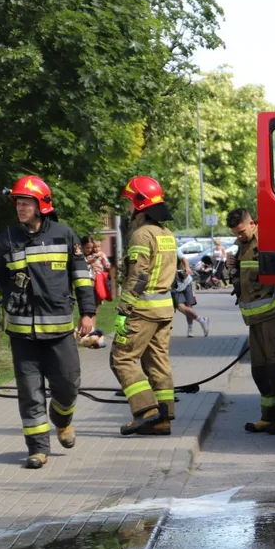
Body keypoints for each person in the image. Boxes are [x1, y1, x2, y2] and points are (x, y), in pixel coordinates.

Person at [0, 175, 96, 469]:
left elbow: (82, 277)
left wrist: (87, 312)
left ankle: (62, 420)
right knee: (29, 393)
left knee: (68, 386)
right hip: (22, 334)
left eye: (26, 203)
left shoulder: (64, 235)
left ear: (41, 205)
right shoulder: (6, 239)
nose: (21, 208)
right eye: (18, 203)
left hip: (59, 332)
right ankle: (37, 448)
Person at [110, 176, 179, 437]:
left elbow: (138, 276)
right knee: (157, 362)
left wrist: (123, 310)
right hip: (164, 309)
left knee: (122, 357)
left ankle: (146, 411)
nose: (127, 208)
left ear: (140, 204)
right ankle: (163, 419)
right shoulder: (166, 234)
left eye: (129, 202)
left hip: (143, 309)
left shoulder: (141, 234)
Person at [227, 208, 275, 434]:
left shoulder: (269, 240)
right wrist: (232, 267)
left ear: (252, 223)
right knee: (261, 370)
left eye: (241, 232)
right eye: (235, 233)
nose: (239, 236)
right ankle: (268, 417)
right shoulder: (242, 247)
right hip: (255, 320)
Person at [172, 245, 210, 337]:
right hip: (174, 284)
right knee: (179, 306)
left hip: (185, 281)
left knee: (189, 306)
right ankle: (202, 320)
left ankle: (190, 329)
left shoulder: (173, 248)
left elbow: (184, 258)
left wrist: (187, 267)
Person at [81, 236, 112, 308]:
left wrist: (105, 266)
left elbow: (106, 263)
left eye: (91, 247)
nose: (90, 249)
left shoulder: (98, 255)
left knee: (96, 304)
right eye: (87, 247)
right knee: (88, 307)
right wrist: (90, 263)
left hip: (96, 279)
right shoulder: (82, 256)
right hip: (87, 282)